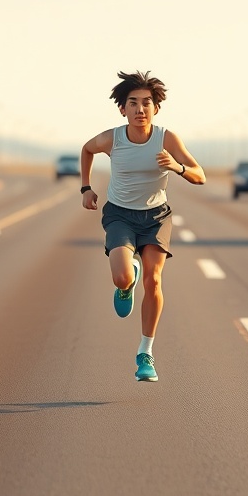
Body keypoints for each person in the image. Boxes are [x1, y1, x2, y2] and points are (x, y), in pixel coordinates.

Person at [80, 70, 206, 382]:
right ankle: (127, 282)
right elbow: (87, 149)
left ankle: (145, 353)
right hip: (120, 215)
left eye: (146, 103)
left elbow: (199, 175)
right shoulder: (113, 139)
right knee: (122, 277)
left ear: (156, 108)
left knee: (154, 280)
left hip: (156, 218)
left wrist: (176, 166)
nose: (140, 109)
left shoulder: (167, 139)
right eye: (133, 103)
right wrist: (86, 188)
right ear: (122, 109)